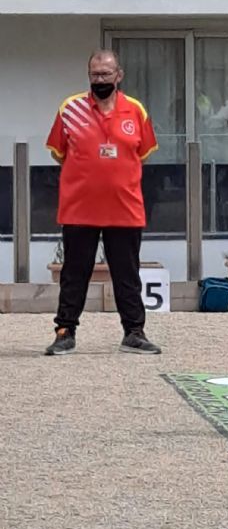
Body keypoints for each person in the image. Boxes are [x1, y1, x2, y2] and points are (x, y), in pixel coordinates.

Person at [45, 49, 162, 356]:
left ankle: (134, 333)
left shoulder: (136, 110)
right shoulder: (70, 109)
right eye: (94, 75)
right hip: (79, 208)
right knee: (74, 272)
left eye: (105, 74)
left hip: (125, 208)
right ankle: (65, 331)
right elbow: (58, 152)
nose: (100, 80)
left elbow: (144, 152)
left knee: (127, 273)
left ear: (118, 75)